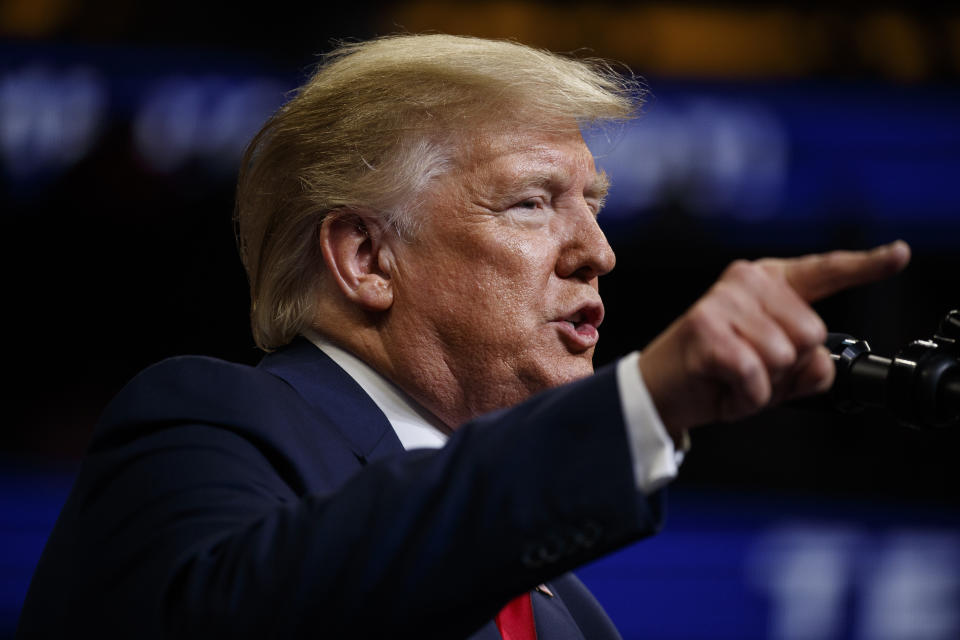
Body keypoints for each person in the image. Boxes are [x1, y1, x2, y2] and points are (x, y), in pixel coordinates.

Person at [17, 34, 910, 639]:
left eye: (594, 208)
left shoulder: (571, 617)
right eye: (531, 203)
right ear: (367, 256)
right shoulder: (207, 426)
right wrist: (641, 404)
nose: (597, 252)